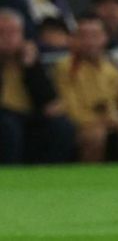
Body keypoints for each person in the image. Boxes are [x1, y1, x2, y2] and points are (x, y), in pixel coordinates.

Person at [53, 14, 118, 162]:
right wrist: (111, 122)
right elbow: (72, 110)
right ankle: (91, 181)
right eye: (83, 36)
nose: (89, 42)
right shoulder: (66, 67)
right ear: (75, 40)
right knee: (96, 136)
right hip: (85, 124)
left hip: (114, 120)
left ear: (104, 38)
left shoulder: (115, 66)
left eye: (95, 36)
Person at [0, 8, 75, 164]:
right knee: (8, 127)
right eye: (2, 33)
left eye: (14, 33)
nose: (8, 38)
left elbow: (48, 100)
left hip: (30, 114)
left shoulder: (31, 61)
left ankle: (50, 176)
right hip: (5, 115)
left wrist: (30, 66)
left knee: (62, 127)